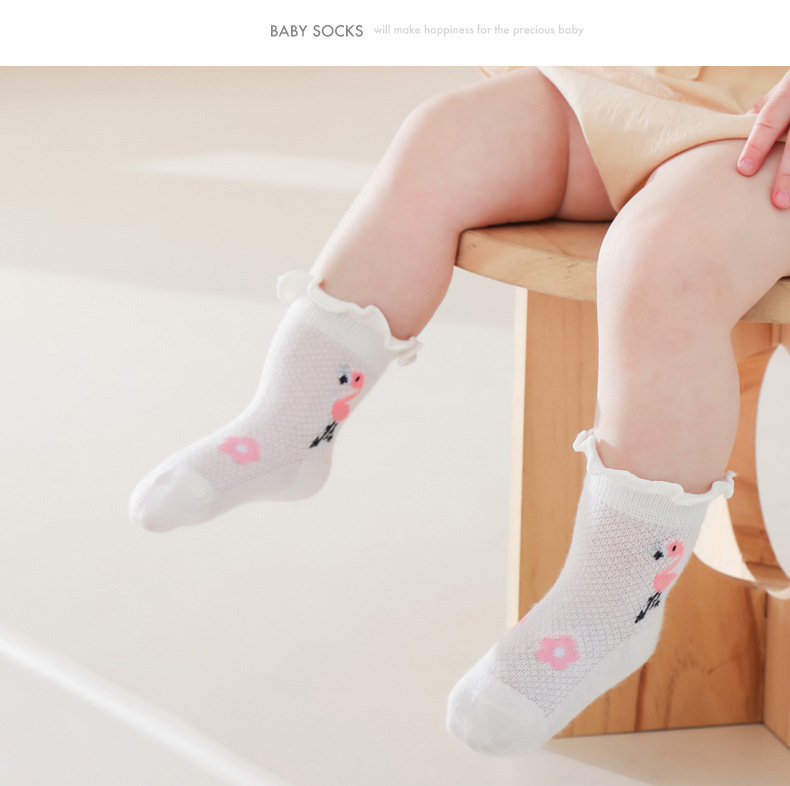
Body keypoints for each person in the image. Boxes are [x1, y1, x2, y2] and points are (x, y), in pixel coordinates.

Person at [128, 66, 790, 756]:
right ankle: (292, 424)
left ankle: (614, 601)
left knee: (665, 258)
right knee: (443, 139)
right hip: (629, 87)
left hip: (760, 127)